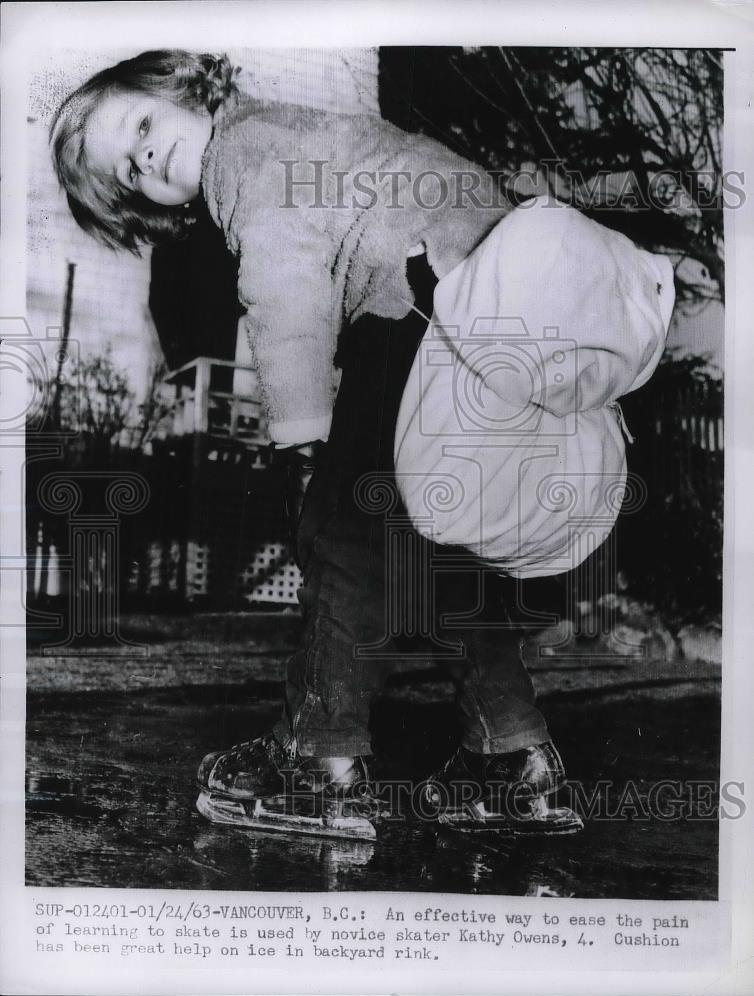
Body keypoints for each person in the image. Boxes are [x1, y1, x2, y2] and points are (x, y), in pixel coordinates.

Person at [50, 49, 582, 837]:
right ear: (146, 205)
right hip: (494, 306)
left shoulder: (244, 152)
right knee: (455, 551)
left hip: (417, 315)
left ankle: (317, 759)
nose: (147, 157)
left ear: (181, 91)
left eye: (141, 126)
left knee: (342, 536)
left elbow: (285, 288)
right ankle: (512, 759)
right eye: (129, 172)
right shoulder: (299, 132)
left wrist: (303, 435)